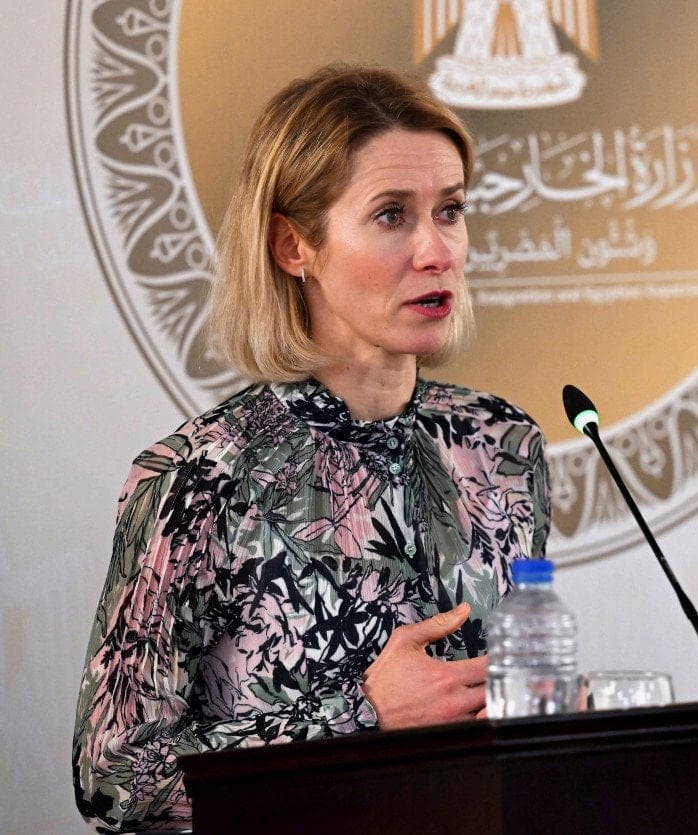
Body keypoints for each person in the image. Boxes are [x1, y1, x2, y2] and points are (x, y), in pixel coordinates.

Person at [72, 63, 550, 832]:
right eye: (391, 215)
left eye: (451, 210)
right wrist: (361, 712)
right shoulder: (201, 475)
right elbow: (114, 777)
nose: (437, 251)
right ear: (293, 245)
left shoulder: (502, 444)